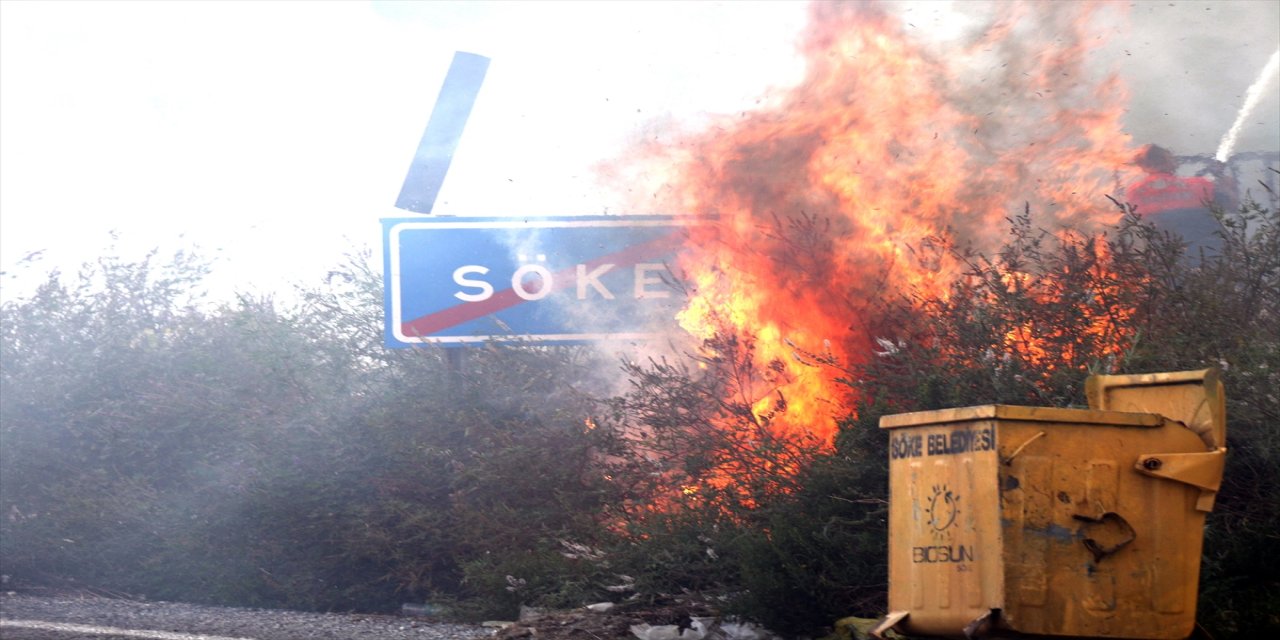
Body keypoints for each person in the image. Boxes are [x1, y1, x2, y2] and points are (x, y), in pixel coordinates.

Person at [1125, 144, 1225, 256]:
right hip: (1208, 251)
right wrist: (1224, 178)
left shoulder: (1134, 191)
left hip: (1165, 256)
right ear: (1169, 161)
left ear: (1142, 165)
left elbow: (1138, 221)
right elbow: (1230, 205)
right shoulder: (1199, 184)